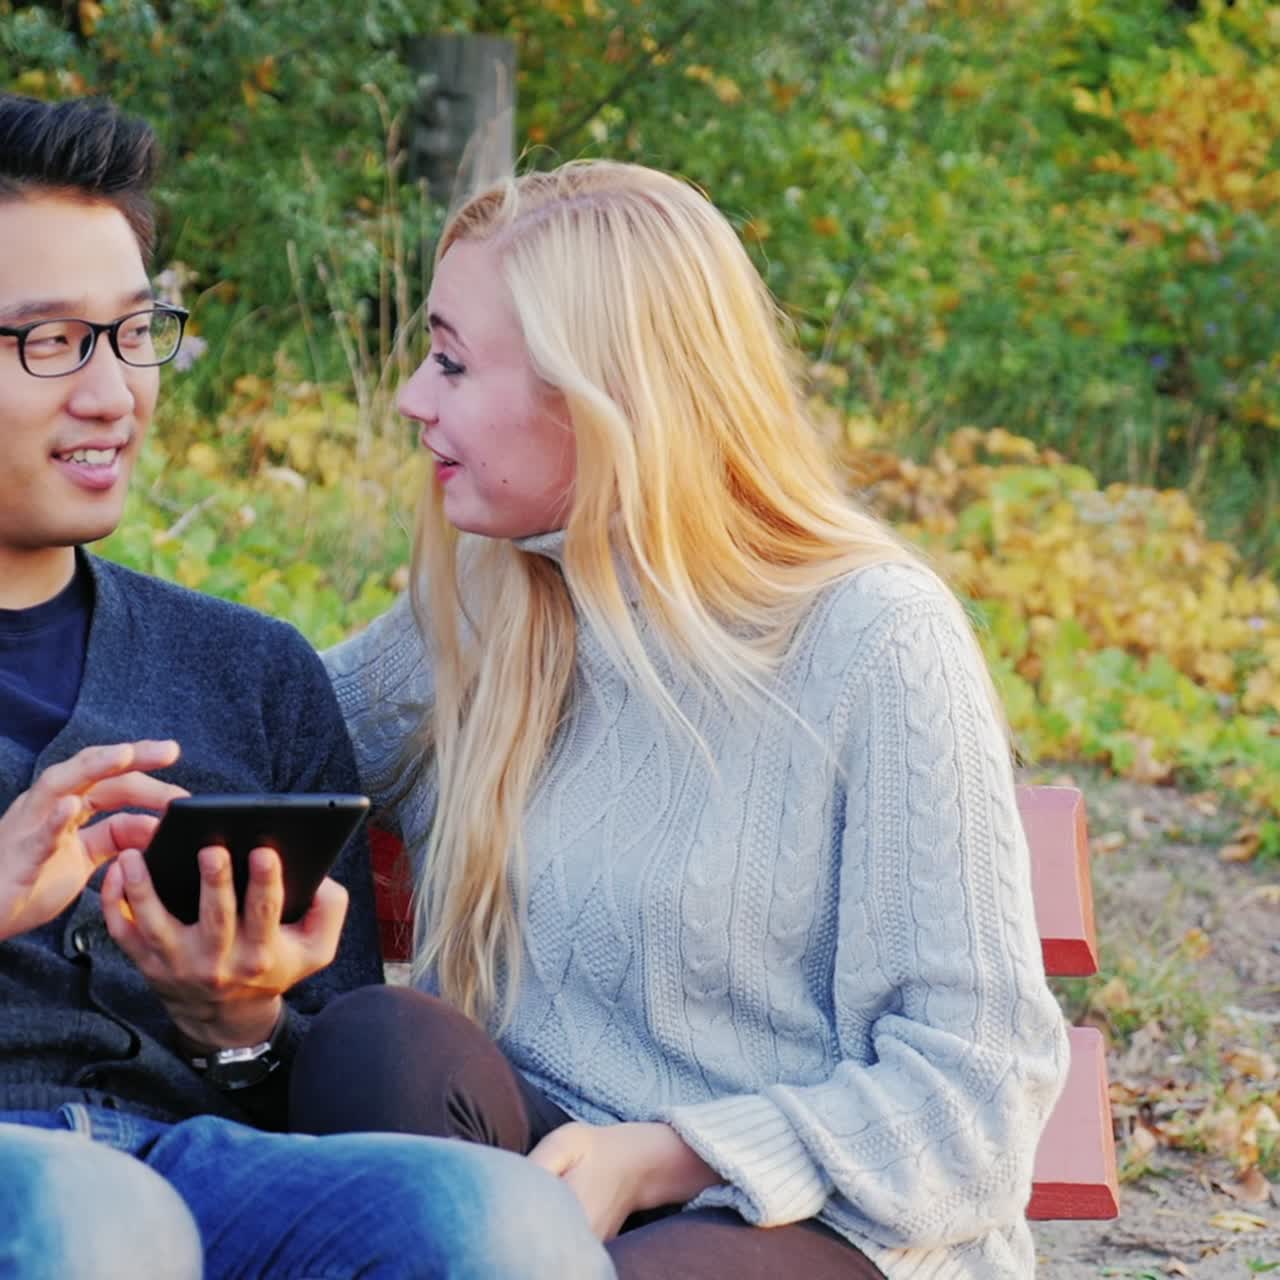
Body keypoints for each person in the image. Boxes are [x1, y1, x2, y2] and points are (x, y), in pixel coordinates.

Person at [303, 159, 1073, 1279]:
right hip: (545, 1170)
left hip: (820, 1222)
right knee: (379, 1047)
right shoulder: (489, 598)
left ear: (602, 395)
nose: (415, 398)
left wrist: (661, 1156)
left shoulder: (872, 635)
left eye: (454, 363)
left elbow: (976, 1094)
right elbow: (271, 733)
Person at [0, 93, 614, 1280]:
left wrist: (237, 1023)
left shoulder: (249, 671)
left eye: (133, 332)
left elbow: (327, 1075)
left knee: (496, 1220)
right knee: (95, 1218)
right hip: (71, 1210)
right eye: (51, 341)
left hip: (202, 1175)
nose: (113, 392)